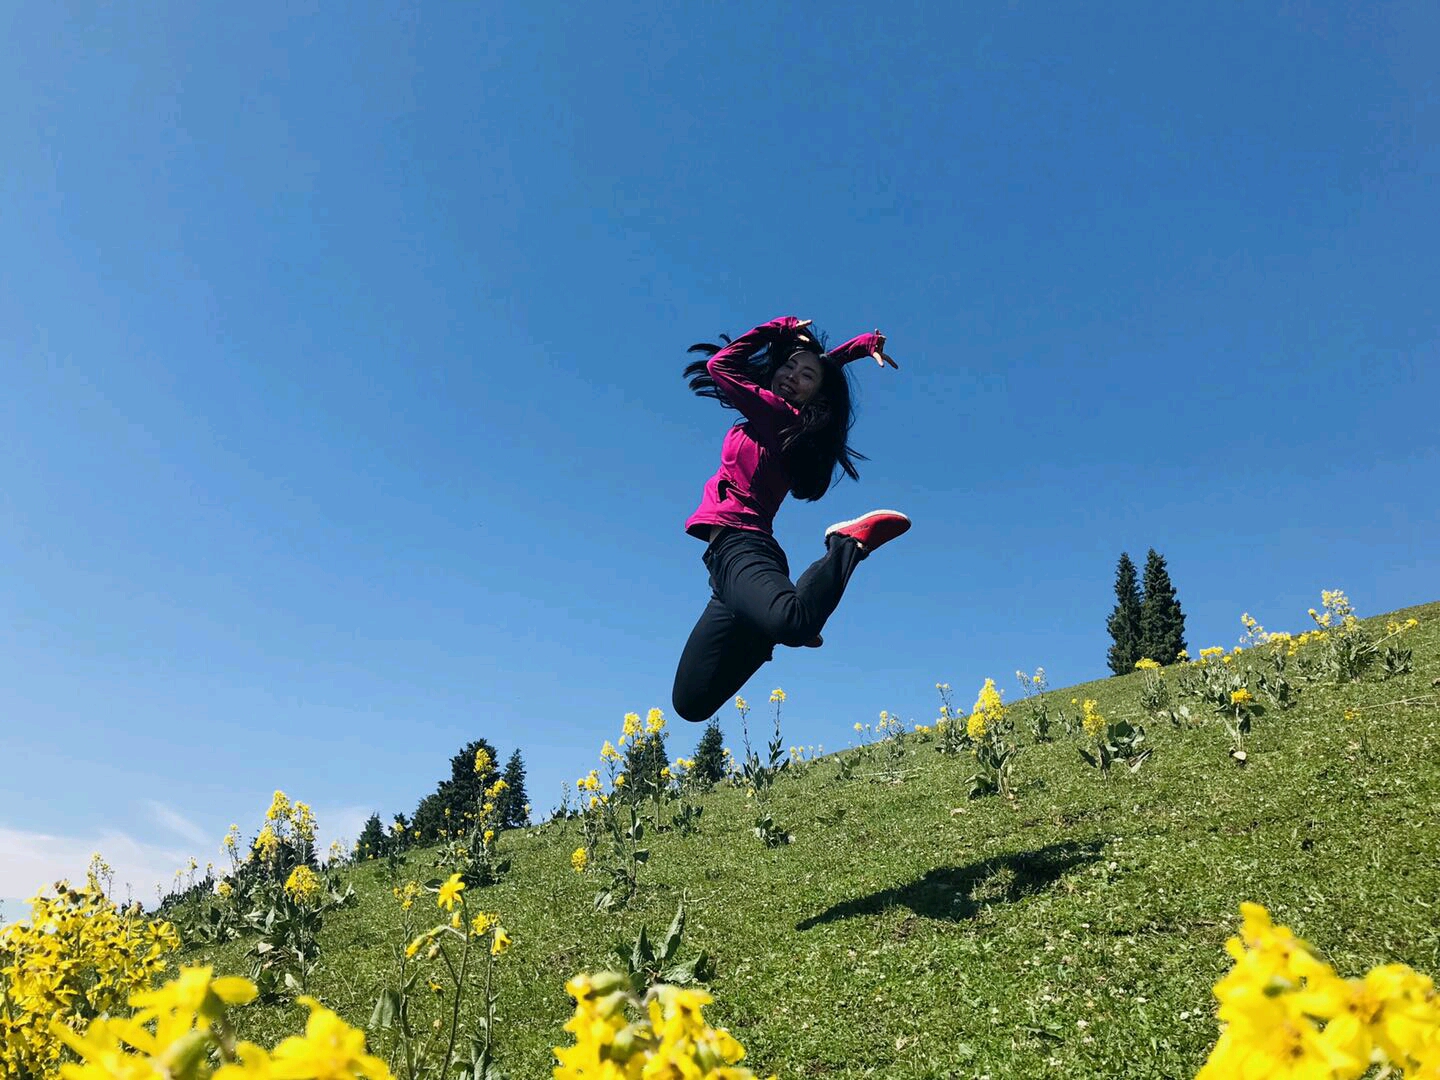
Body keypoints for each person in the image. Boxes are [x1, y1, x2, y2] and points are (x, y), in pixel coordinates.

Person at [671, 314, 911, 723]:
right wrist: (860, 345)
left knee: (795, 623)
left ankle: (846, 544)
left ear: (814, 397)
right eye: (788, 366)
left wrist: (779, 327)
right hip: (724, 571)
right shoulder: (777, 417)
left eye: (805, 377)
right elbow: (823, 366)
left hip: (743, 546)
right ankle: (769, 619)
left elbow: (719, 366)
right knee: (690, 703)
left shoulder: (778, 416)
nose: (792, 377)